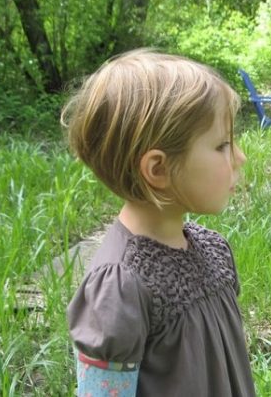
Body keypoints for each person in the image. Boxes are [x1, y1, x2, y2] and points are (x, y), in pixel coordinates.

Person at [62, 49, 255, 396]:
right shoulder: (119, 286)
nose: (240, 157)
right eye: (222, 145)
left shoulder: (213, 250)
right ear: (158, 169)